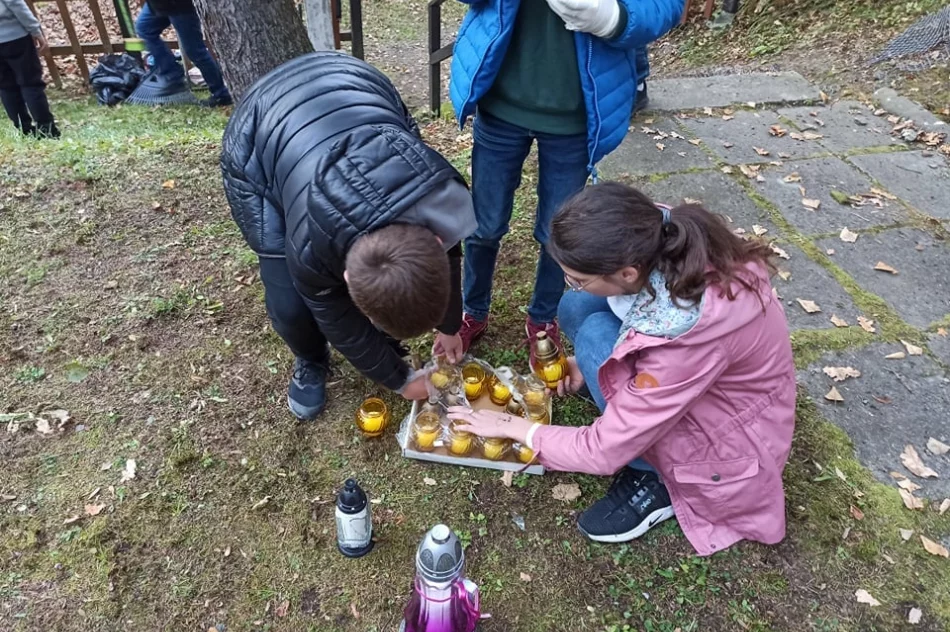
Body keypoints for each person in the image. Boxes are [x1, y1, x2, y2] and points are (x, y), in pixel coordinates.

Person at [449, 183, 796, 555]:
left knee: (596, 334)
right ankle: (615, 389)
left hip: (724, 446)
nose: (572, 283)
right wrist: (587, 364)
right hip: (705, 387)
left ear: (629, 274)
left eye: (580, 277)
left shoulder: (686, 337)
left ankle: (654, 476)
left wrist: (518, 429)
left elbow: (603, 451)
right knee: (577, 308)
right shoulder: (655, 230)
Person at [221, 52, 476, 420]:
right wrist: (401, 380)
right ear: (344, 278)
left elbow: (449, 261)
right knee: (290, 303)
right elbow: (336, 316)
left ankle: (382, 320)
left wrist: (451, 327)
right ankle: (310, 359)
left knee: (378, 291)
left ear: (437, 239)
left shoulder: (439, 196)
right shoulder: (309, 246)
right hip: (257, 133)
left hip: (354, 82)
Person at [449, 0, 681, 357]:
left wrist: (616, 18)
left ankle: (543, 317)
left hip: (576, 113)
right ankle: (473, 311)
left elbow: (666, 7)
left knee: (558, 232)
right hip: (500, 100)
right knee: (484, 224)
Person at [135, 0, 232, 106]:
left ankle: (221, 94)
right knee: (144, 28)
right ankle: (171, 73)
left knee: (195, 52)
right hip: (158, 4)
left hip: (181, 6)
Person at [0, 0, 59, 137]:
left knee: (6, 87)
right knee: (30, 83)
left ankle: (24, 129)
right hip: (15, 38)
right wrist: (35, 30)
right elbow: (15, 4)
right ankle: (46, 129)